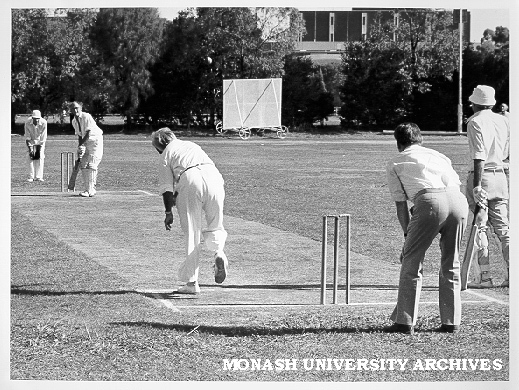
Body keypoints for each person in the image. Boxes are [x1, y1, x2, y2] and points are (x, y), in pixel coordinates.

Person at [385, 123, 469, 334]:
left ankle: (404, 322)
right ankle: (451, 322)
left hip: (429, 201)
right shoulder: (440, 155)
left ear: (399, 143)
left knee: (411, 262)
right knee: (452, 262)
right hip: (458, 201)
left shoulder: (396, 161)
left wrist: (407, 235)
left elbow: (401, 206)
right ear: (420, 139)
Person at [151, 127, 228, 294]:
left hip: (190, 179)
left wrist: (168, 212)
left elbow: (166, 189)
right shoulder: (191, 144)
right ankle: (218, 252)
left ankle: (192, 282)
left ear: (160, 145)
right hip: (214, 176)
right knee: (216, 224)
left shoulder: (165, 155)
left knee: (192, 232)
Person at [465, 85, 510, 288]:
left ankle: (484, 277)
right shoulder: (503, 120)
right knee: (504, 229)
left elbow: (479, 155)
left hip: (482, 177)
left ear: (475, 103)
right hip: (500, 176)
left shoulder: (475, 121)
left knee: (479, 226)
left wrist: (476, 186)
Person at [69, 102, 104, 197]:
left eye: (77, 108)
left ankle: (92, 190)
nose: (75, 110)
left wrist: (82, 144)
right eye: (73, 109)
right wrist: (80, 147)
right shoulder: (74, 122)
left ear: (80, 108)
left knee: (92, 164)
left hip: (95, 140)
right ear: (70, 110)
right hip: (86, 141)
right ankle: (87, 189)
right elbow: (80, 135)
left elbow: (88, 133)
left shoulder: (86, 116)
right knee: (83, 163)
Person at [24, 110, 47, 182]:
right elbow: (27, 137)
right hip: (30, 141)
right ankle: (31, 176)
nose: (36, 120)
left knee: (40, 156)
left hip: (40, 141)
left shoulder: (44, 122)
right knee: (29, 156)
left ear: (40, 118)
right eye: (35, 118)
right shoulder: (27, 122)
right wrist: (30, 148)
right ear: (32, 118)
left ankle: (38, 176)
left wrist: (38, 149)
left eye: (38, 118)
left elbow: (43, 137)